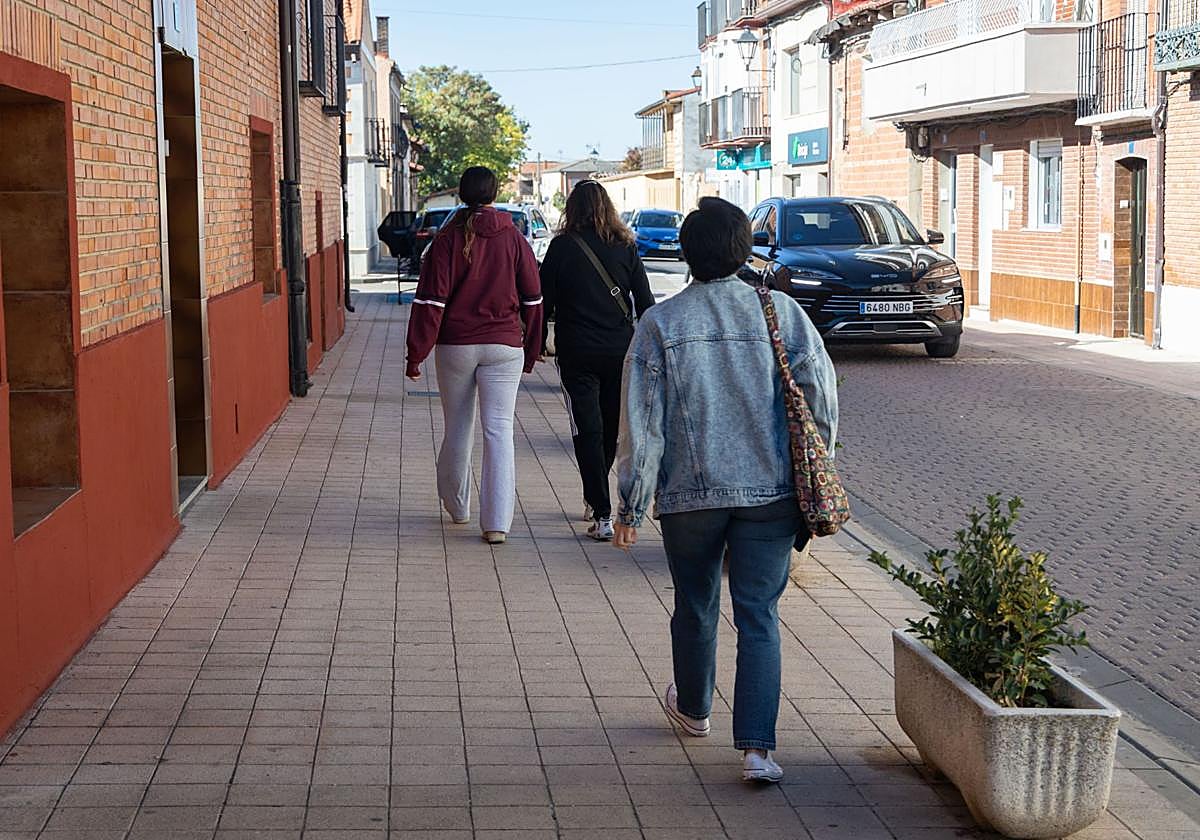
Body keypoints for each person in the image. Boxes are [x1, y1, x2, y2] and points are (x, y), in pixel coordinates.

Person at [613, 197, 838, 783]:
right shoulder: (783, 314)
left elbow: (643, 425)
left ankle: (693, 710)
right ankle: (758, 751)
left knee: (695, 602)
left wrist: (631, 506)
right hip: (772, 493)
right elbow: (820, 405)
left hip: (690, 495)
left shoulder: (661, 324)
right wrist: (815, 476)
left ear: (686, 254)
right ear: (745, 251)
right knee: (759, 613)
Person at [405, 167, 544, 545]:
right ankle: (497, 524)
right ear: (495, 193)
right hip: (504, 347)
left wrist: (416, 354)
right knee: (499, 431)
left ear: (461, 195)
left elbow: (430, 301)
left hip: (456, 346)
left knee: (458, 426)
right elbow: (533, 299)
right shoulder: (514, 238)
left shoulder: (446, 240)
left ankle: (458, 507)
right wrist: (531, 350)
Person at [540, 180, 655, 541]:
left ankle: (601, 511)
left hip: (576, 351)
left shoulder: (561, 247)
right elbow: (646, 303)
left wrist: (538, 341)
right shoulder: (626, 247)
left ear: (572, 209)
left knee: (586, 429)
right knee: (608, 429)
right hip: (620, 352)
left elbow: (544, 301)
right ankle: (597, 499)